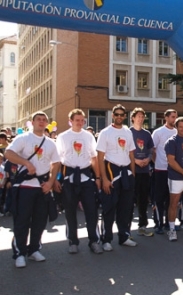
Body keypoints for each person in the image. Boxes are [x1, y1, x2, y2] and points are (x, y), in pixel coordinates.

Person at [5, 111, 60, 268]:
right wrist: (26, 163)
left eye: (44, 120)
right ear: (33, 122)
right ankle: (20, 253)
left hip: (42, 187)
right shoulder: (23, 138)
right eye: (38, 119)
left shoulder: (50, 143)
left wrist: (50, 181)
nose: (41, 122)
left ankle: (34, 249)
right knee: (22, 221)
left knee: (39, 221)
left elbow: (56, 163)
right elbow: (8, 153)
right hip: (25, 187)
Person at [53, 109, 103, 254]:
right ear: (71, 121)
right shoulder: (63, 137)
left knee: (91, 211)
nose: (80, 123)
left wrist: (98, 178)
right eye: (77, 120)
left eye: (82, 120)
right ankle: (73, 241)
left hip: (86, 177)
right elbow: (57, 160)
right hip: (69, 177)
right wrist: (56, 179)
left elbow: (94, 159)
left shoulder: (88, 136)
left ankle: (94, 241)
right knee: (70, 211)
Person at [96, 104, 137, 251]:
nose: (119, 116)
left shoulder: (128, 132)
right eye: (117, 114)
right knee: (109, 207)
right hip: (111, 171)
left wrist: (133, 174)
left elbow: (131, 154)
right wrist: (104, 179)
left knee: (125, 208)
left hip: (126, 172)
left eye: (122, 114)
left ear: (125, 116)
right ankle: (106, 239)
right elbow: (100, 157)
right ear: (112, 115)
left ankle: (124, 236)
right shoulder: (105, 132)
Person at [151, 109, 177, 234]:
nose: (174, 119)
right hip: (160, 170)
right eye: (172, 117)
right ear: (166, 118)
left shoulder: (178, 132)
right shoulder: (158, 132)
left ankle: (169, 222)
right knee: (159, 198)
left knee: (171, 198)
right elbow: (153, 150)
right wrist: (157, 163)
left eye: (175, 117)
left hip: (174, 171)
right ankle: (158, 223)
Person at [130, 108, 154, 237]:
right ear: (133, 118)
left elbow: (151, 149)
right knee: (129, 200)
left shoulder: (146, 134)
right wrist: (135, 161)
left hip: (144, 170)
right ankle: (126, 229)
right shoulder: (128, 132)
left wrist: (148, 159)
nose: (140, 118)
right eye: (138, 116)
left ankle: (142, 225)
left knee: (143, 199)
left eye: (142, 116)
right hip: (131, 171)